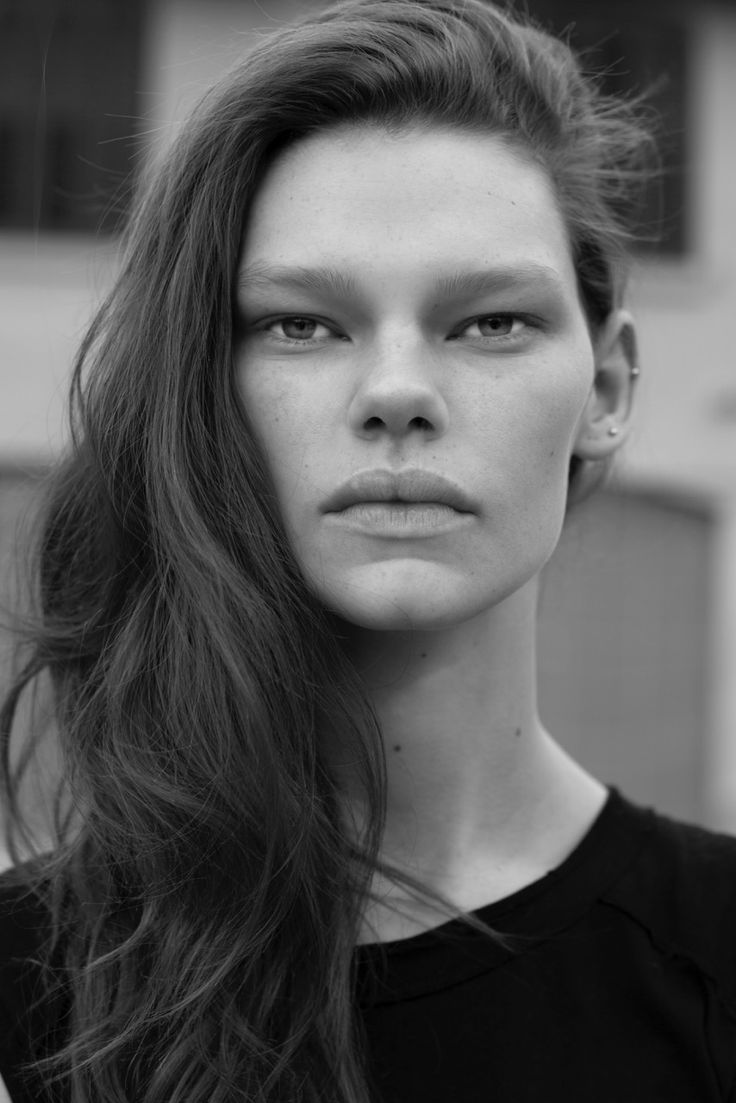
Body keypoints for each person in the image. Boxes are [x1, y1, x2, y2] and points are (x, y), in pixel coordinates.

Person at [1, 0, 736, 1100]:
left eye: (490, 320)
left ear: (607, 386)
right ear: (206, 387)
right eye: (301, 323)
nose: (397, 390)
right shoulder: (30, 986)